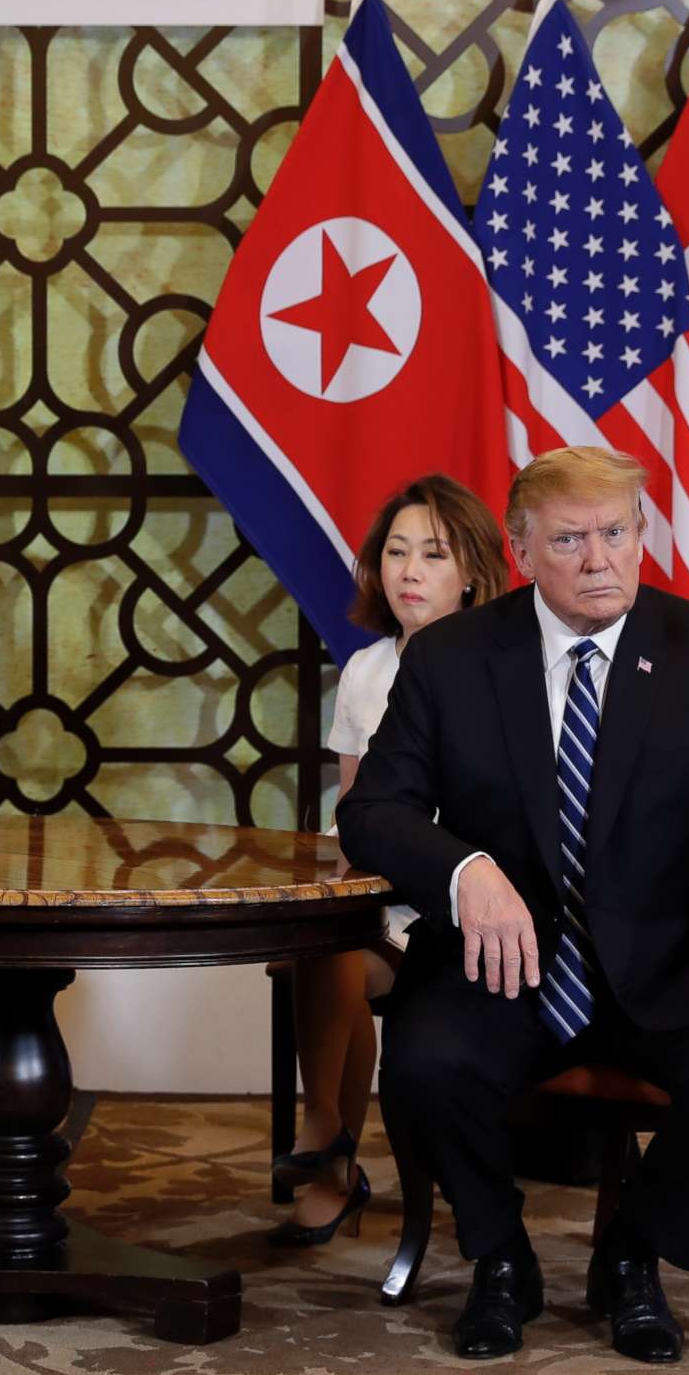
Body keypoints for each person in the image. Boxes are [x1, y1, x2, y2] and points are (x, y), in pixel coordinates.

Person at [338, 445, 689, 1364]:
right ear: (520, 551)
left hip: (668, 966)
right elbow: (374, 809)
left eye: (617, 533)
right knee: (427, 1065)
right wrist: (465, 867)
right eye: (570, 540)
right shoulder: (453, 655)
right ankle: (501, 1259)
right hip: (504, 966)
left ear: (641, 536)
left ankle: (635, 1254)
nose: (600, 560)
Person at [273, 475, 503, 1246]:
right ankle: (332, 1142)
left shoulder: (501, 670)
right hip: (376, 898)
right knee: (327, 937)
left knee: (336, 948)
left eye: (432, 555)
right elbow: (355, 822)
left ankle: (330, 1144)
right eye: (396, 552)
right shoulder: (367, 671)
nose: (408, 571)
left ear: (470, 571)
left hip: (458, 902)